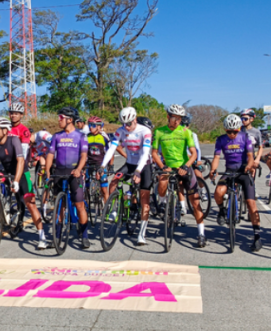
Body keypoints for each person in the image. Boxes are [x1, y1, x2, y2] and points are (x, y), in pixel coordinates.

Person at [152, 104, 207, 247]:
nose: (177, 121)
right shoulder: (159, 132)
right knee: (162, 180)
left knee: (195, 202)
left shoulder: (185, 132)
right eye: (175, 118)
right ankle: (163, 203)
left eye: (179, 118)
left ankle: (201, 233)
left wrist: (186, 166)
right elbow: (154, 153)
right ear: (168, 117)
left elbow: (194, 153)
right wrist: (163, 166)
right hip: (168, 167)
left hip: (184, 167)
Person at [0, 117, 46, 249]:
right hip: (7, 172)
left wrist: (16, 181)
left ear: (5, 131)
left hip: (22, 173)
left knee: (30, 204)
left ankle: (42, 236)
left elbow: (20, 161)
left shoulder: (14, 140)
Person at [101, 107, 153, 246]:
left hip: (144, 165)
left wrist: (138, 171)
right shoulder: (120, 131)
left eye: (129, 124)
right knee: (114, 181)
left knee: (144, 198)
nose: (127, 127)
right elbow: (112, 148)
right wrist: (102, 166)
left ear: (135, 120)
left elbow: (145, 152)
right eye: (124, 124)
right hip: (130, 164)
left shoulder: (145, 131)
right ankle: (114, 209)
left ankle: (142, 234)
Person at [209, 114, 262, 251]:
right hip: (229, 171)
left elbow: (251, 156)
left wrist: (250, 166)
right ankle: (222, 211)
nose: (232, 134)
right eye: (229, 131)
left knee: (251, 203)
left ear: (239, 129)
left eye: (235, 131)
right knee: (218, 192)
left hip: (244, 171)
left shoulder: (246, 138)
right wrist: (213, 170)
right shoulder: (220, 139)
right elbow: (216, 157)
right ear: (225, 130)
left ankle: (257, 236)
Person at [45, 106, 90, 249]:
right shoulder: (56, 136)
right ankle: (57, 237)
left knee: (79, 204)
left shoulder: (81, 136)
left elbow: (84, 155)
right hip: (59, 171)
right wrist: (47, 170)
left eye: (60, 118)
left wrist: (78, 169)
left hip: (74, 172)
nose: (58, 120)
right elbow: (51, 154)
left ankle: (84, 235)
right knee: (59, 206)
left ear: (69, 120)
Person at [85, 116, 111, 206]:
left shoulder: (104, 137)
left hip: (101, 165)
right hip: (89, 164)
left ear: (99, 127)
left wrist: (111, 165)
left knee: (104, 189)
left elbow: (110, 152)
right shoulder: (86, 137)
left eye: (93, 125)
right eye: (89, 125)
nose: (90, 127)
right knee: (86, 188)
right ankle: (87, 206)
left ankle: (107, 209)